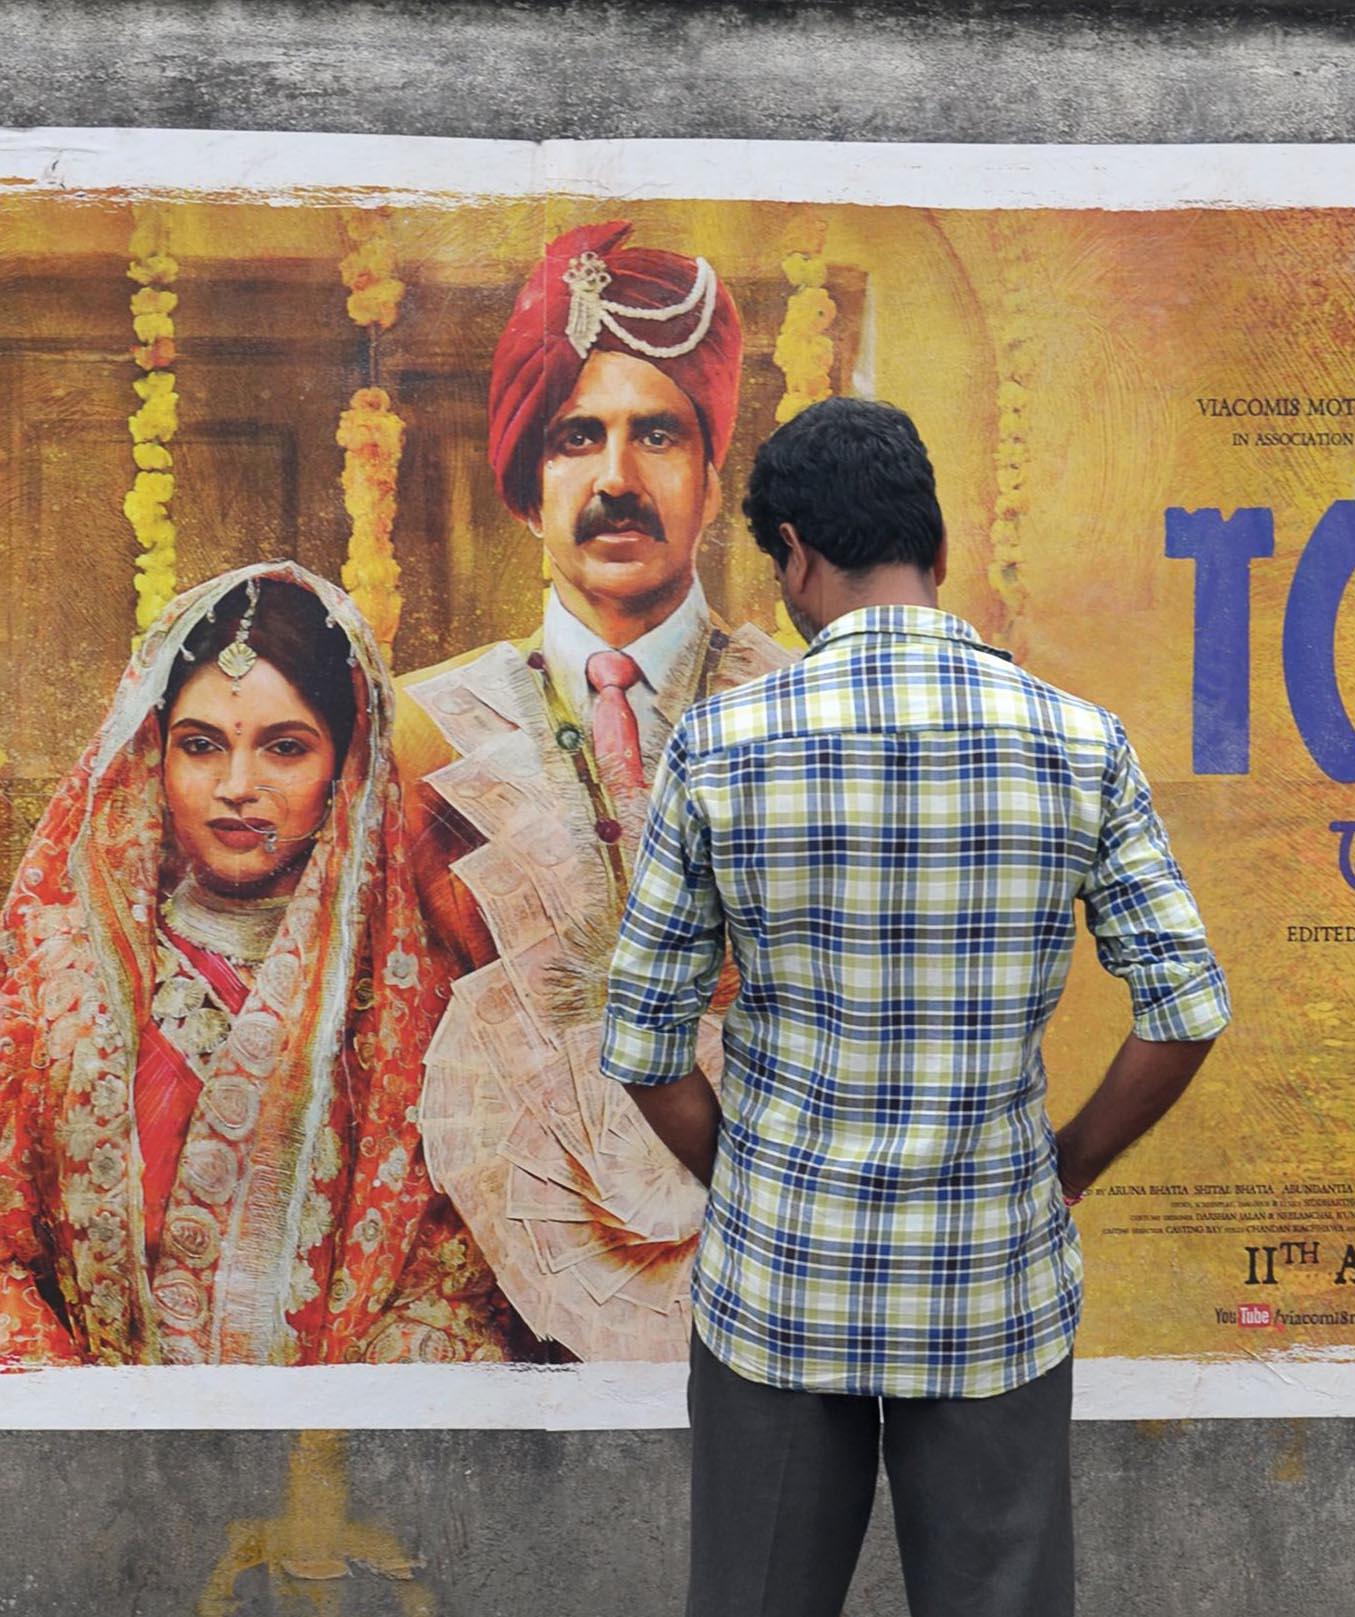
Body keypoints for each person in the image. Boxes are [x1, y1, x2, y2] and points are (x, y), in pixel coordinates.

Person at [601, 397, 1232, 1616]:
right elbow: (1184, 1007)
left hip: (782, 1279)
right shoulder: (1074, 743)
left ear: (792, 553)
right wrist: (1063, 1168)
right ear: (934, 549)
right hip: (991, 1274)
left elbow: (641, 1041)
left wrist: (751, 1181)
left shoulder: (722, 746)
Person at [395, 221, 794, 1362]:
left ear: (712, 476)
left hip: (786, 1284)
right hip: (494, 1302)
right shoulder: (422, 731)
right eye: (577, 438)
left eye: (655, 435)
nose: (616, 479)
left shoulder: (809, 713)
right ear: (529, 488)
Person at [0, 562, 517, 1366]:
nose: (237, 786)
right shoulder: (60, 979)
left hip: (330, 1471)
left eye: (284, 747)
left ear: (345, 768)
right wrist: (92, 1434)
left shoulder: (408, 1000)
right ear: (153, 757)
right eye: (201, 745)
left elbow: (450, 1282)